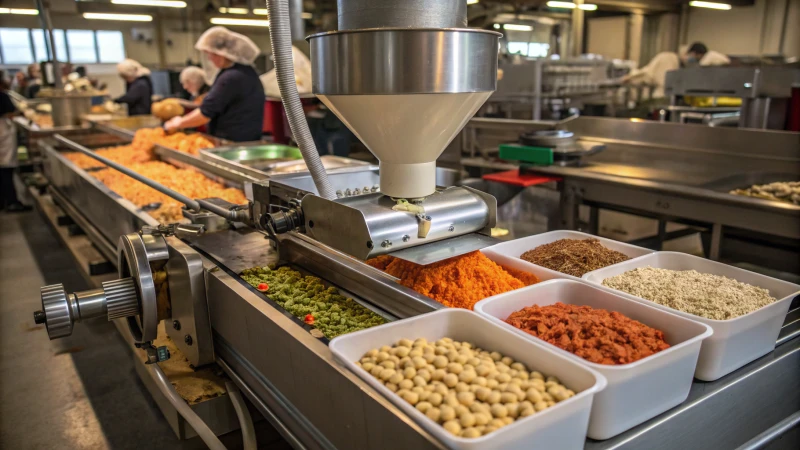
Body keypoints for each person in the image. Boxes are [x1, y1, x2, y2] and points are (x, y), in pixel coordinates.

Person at [164, 27, 264, 142]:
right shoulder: (246, 72)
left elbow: (205, 113)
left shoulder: (231, 77)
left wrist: (178, 123)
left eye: (210, 54)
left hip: (233, 143)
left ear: (221, 54)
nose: (209, 59)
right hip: (248, 140)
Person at [0, 71, 30, 212]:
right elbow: (11, 112)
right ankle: (11, 201)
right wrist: (23, 111)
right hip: (3, 134)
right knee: (6, 169)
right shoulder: (2, 96)